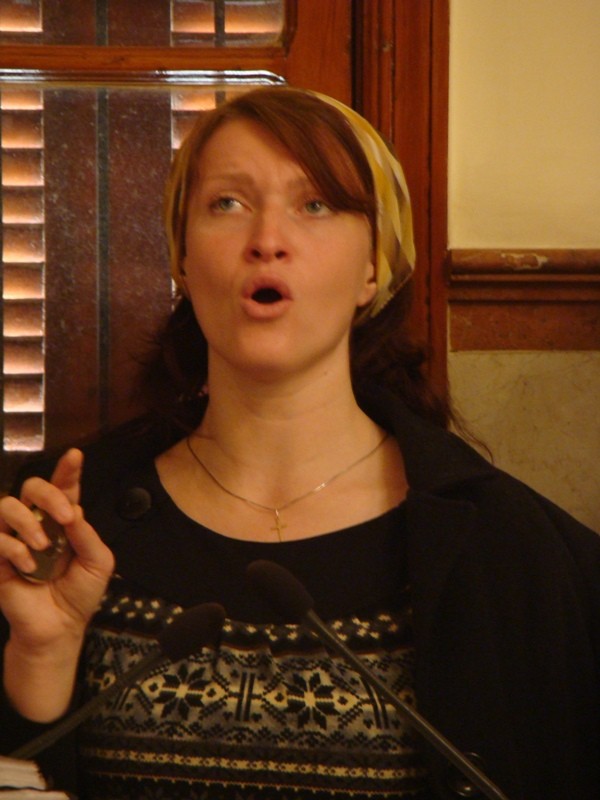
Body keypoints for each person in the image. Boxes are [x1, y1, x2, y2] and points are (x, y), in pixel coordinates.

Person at [0, 86, 599, 800]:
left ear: (373, 267)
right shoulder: (60, 523)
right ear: (183, 258)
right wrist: (40, 657)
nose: (267, 239)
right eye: (228, 203)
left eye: (315, 205)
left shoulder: (515, 550)